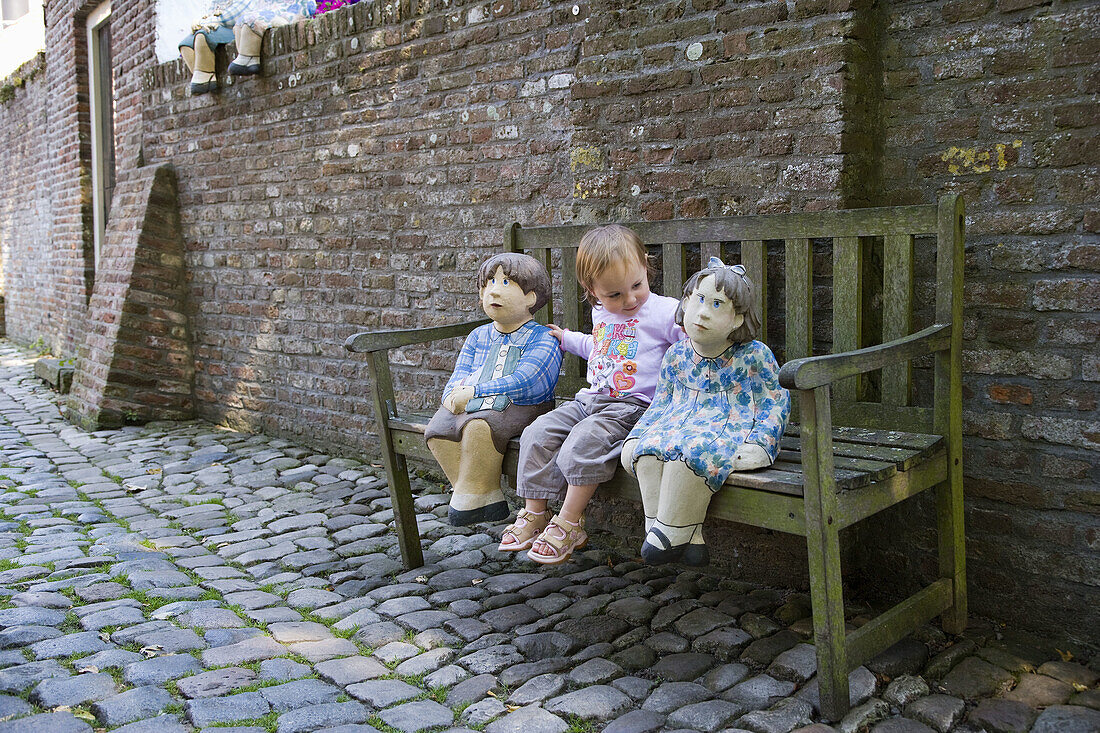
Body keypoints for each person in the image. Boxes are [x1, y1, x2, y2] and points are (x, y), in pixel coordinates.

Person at [501, 225, 685, 565]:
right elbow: (599, 346)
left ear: (646, 267)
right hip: (590, 400)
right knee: (536, 433)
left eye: (636, 286)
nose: (629, 300)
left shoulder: (665, 312)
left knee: (581, 442)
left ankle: (570, 522)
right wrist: (569, 339)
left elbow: (693, 345)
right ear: (593, 291)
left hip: (631, 407)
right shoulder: (601, 312)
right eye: (614, 294)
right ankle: (535, 513)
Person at [621, 257, 791, 566]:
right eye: (699, 299)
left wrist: (760, 445)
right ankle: (677, 534)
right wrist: (638, 435)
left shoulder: (754, 356)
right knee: (647, 452)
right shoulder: (676, 355)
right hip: (678, 424)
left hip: (730, 428)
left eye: (717, 304)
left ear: (737, 319)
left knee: (689, 453)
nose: (702, 313)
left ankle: (667, 536)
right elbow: (661, 404)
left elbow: (774, 404)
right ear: (686, 302)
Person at [425, 253, 562, 526]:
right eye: (489, 282)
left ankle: (473, 495)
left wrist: (476, 392)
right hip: (475, 400)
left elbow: (525, 380)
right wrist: (450, 395)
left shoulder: (543, 338)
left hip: (524, 405)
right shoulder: (479, 335)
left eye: (506, 282)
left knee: (479, 426)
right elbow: (461, 372)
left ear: (531, 298)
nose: (494, 290)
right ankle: (482, 494)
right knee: (437, 430)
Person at [179, 0, 317, 95]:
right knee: (186, 43)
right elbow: (211, 12)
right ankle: (202, 77)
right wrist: (203, 21)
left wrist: (212, 21)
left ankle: (247, 58)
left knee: (206, 34)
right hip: (221, 24)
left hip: (228, 25)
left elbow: (239, 11)